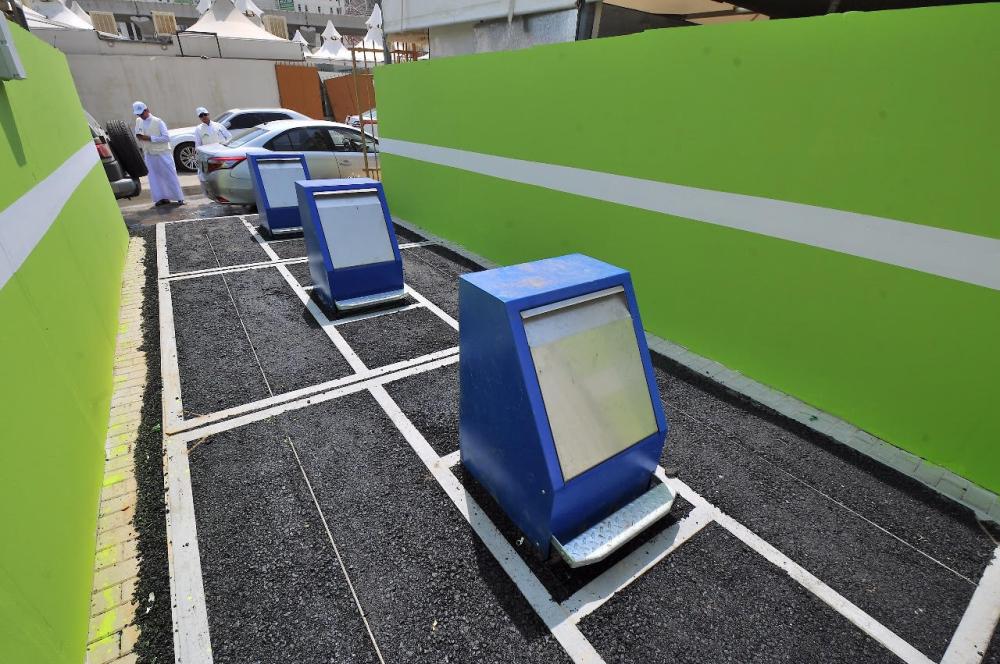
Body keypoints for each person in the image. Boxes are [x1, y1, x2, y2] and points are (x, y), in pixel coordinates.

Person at [133, 101, 184, 207]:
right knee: (154, 177)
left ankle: (179, 197)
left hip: (162, 153)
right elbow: (138, 134)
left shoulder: (158, 121)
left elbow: (166, 137)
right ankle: (161, 198)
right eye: (138, 114)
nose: (140, 116)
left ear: (147, 110)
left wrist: (150, 138)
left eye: (142, 113)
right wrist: (139, 137)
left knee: (169, 174)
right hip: (149, 153)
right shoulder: (138, 121)